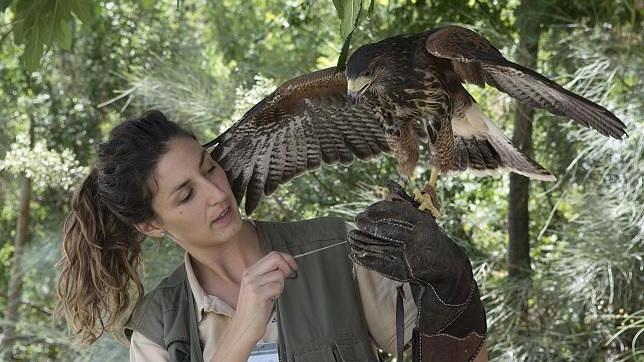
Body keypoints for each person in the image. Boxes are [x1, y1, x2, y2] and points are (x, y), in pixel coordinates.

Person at [56, 110, 487, 361]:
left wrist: (452, 288)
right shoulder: (158, 327)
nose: (216, 192)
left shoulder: (336, 251)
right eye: (186, 194)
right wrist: (242, 332)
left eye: (209, 167)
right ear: (151, 225)